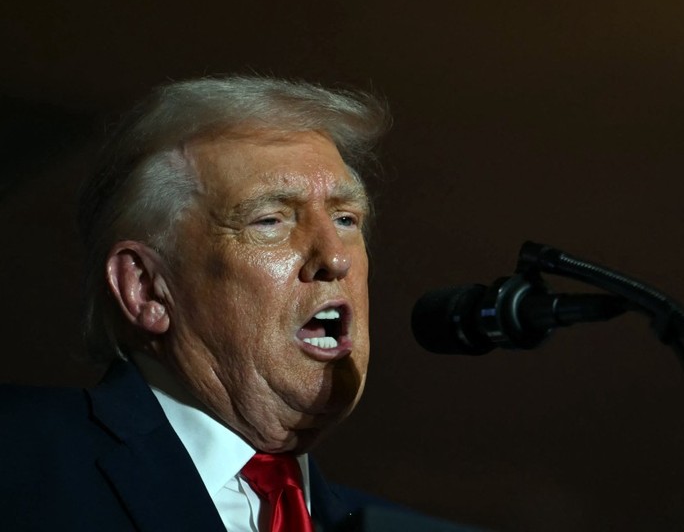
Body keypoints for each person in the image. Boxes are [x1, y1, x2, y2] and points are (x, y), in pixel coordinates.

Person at [0, 75, 396, 531]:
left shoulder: (380, 524)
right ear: (146, 288)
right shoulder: (17, 458)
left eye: (346, 218)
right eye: (270, 220)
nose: (334, 256)